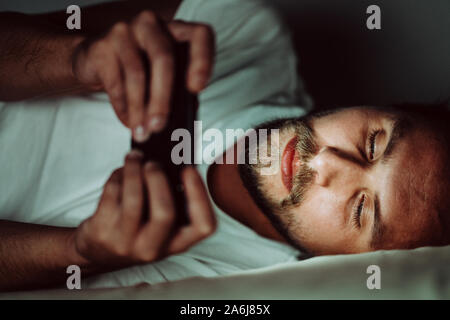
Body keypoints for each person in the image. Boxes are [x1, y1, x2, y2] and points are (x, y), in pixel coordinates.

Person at [1, 0, 448, 292]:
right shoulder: (242, 27)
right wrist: (75, 59)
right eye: (373, 141)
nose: (330, 161)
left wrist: (78, 254)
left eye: (361, 210)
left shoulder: (232, 289)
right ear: (376, 106)